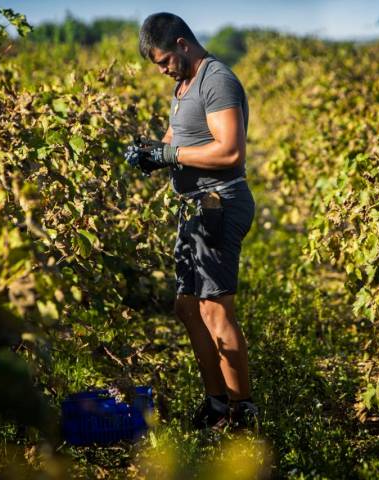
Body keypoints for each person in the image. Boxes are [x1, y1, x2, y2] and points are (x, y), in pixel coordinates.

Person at [127, 12, 257, 430]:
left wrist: (171, 156)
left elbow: (229, 152)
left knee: (215, 311)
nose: (163, 70)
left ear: (183, 44)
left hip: (219, 203)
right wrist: (152, 152)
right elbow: (177, 138)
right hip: (195, 207)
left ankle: (242, 413)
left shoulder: (216, 80)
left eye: (165, 60)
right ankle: (217, 403)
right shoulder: (184, 85)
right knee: (187, 308)